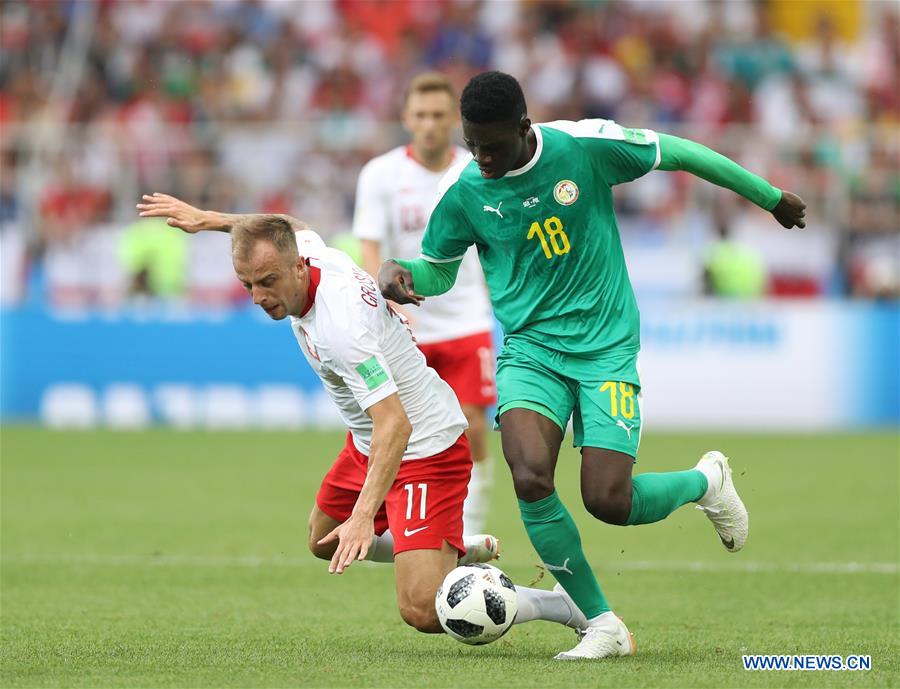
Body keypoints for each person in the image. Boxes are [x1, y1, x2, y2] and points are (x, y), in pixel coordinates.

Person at [379, 71, 808, 659]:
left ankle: (705, 482)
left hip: (605, 348)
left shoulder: (582, 146)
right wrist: (404, 271)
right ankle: (600, 622)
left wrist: (770, 197)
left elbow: (677, 151)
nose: (479, 157)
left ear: (525, 128)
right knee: (529, 473)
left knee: (608, 499)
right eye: (472, 143)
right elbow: (439, 268)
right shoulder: (466, 193)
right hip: (530, 350)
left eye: (492, 145)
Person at [135, 193, 591, 637]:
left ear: (297, 268)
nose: (257, 296)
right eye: (247, 284)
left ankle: (558, 603)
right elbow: (292, 226)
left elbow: (396, 423)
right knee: (323, 540)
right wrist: (210, 219)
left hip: (425, 448)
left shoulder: (342, 327)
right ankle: (450, 549)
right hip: (369, 440)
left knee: (424, 610)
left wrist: (363, 514)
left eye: (267, 282)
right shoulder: (308, 255)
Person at [353, 72, 496, 535]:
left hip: (466, 317)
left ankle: (467, 527)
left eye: (438, 115)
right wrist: (384, 300)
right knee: (394, 423)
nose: (430, 124)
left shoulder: (477, 171)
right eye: (421, 115)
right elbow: (370, 244)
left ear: (453, 119)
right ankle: (394, 521)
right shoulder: (380, 173)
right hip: (403, 322)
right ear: (406, 119)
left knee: (471, 422)